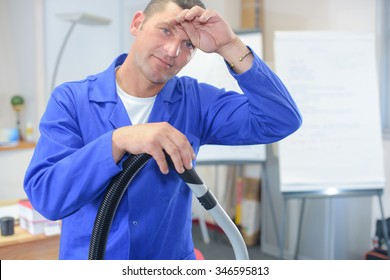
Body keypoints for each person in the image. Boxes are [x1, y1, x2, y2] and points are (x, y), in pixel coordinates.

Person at [24, 0, 302, 260]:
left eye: (188, 44)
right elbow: (46, 197)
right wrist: (118, 140)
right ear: (137, 24)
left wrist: (229, 45)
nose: (173, 51)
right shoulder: (72, 100)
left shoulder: (196, 102)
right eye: (165, 30)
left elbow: (280, 119)